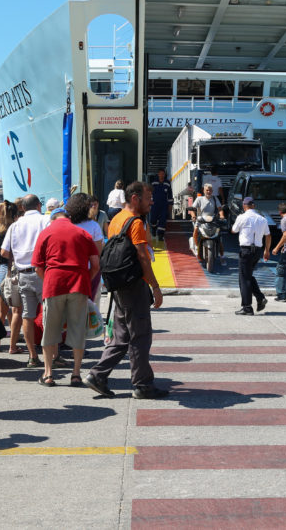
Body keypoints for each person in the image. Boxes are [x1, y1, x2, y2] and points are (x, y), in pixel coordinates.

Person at [85, 181, 168, 400]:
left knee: (121, 336)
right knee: (140, 336)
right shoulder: (136, 223)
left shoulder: (116, 220)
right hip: (134, 285)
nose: (152, 201)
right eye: (148, 197)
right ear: (135, 198)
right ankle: (143, 385)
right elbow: (143, 257)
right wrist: (156, 287)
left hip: (119, 284)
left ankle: (97, 375)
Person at [32, 193, 100, 387]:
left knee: (50, 330)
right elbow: (95, 264)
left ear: (53, 218)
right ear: (68, 218)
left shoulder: (46, 233)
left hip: (54, 284)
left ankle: (48, 374)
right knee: (78, 330)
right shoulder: (83, 233)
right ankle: (76, 374)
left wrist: (48, 281)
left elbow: (38, 267)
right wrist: (86, 280)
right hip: (78, 284)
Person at [0, 194, 48, 368]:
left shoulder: (15, 226)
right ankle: (53, 355)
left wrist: (20, 254)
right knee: (50, 314)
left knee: (27, 315)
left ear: (23, 208)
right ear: (38, 206)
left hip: (23, 274)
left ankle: (33, 356)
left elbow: (4, 253)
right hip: (43, 272)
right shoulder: (45, 220)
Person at [230, 196, 270, 315]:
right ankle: (259, 297)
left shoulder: (242, 217)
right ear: (254, 206)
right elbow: (268, 235)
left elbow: (233, 230)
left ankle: (247, 307)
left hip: (246, 250)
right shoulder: (262, 219)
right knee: (248, 275)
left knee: (244, 279)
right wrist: (267, 250)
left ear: (244, 206)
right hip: (257, 250)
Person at [0, 200, 20, 352]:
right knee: (16, 310)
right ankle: (12, 346)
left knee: (0, 311)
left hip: (2, 270)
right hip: (16, 269)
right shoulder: (16, 230)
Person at [189, 182, 225, 264]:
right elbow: (192, 209)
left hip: (212, 220)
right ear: (204, 190)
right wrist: (194, 216)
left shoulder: (215, 199)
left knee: (219, 236)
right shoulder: (199, 199)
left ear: (212, 191)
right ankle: (196, 246)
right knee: (196, 229)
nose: (208, 192)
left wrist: (222, 216)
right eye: (207, 190)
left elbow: (220, 209)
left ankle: (222, 256)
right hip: (201, 220)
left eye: (210, 190)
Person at [149, 169, 173, 240]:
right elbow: (149, 193)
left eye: (163, 174)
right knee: (153, 220)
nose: (162, 175)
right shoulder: (153, 183)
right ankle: (153, 229)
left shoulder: (167, 183)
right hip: (154, 204)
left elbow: (170, 196)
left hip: (164, 205)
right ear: (158, 174)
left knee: (163, 220)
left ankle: (160, 235)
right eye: (160, 173)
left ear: (165, 175)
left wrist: (170, 207)